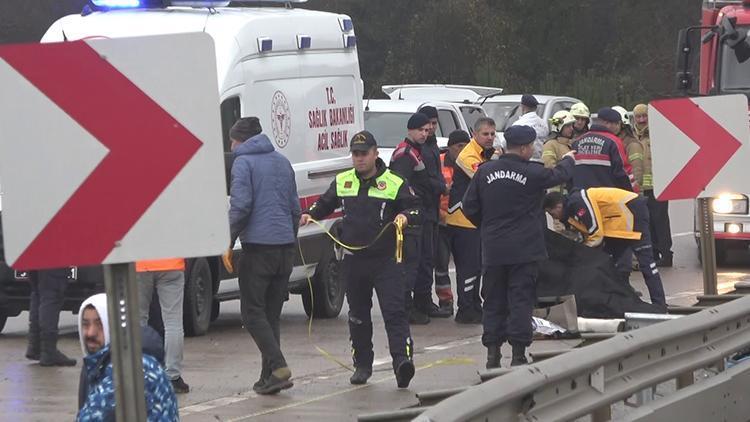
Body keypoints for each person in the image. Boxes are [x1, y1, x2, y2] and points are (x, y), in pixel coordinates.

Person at [301, 130, 421, 388]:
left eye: (364, 153)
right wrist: (310, 214)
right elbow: (324, 204)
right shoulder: (343, 180)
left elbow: (415, 207)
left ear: (375, 153)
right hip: (354, 260)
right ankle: (362, 365)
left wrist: (406, 216)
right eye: (355, 154)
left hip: (386, 260)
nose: (359, 159)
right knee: (357, 316)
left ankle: (402, 362)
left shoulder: (393, 181)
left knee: (394, 312)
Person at [462, 126, 575, 368]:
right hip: (524, 250)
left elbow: (468, 207)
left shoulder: (485, 172)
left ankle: (493, 354)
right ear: (524, 148)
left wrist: (487, 227)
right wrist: (569, 159)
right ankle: (518, 354)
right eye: (532, 146)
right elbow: (559, 175)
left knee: (492, 300)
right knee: (520, 300)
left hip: (493, 249)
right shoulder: (533, 173)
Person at [229, 116, 300, 395]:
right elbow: (295, 209)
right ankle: (270, 377)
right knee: (271, 316)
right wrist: (290, 240)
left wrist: (228, 238)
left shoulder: (243, 163)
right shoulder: (282, 162)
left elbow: (241, 206)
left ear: (240, 139)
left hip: (258, 248)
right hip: (284, 248)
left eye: (232, 140)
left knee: (251, 313)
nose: (231, 145)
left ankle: (279, 365)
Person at [546, 187, 667, 308]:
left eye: (552, 214)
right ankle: (626, 300)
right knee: (610, 263)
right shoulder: (571, 210)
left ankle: (660, 304)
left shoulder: (578, 202)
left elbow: (595, 232)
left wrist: (583, 252)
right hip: (617, 224)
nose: (554, 218)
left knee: (647, 264)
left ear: (558, 206)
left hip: (632, 212)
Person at [77, 293, 178, 421]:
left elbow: (93, 416)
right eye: (85, 324)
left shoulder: (130, 367)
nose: (91, 332)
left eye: (99, 324)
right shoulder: (97, 364)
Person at [390, 112, 448, 324]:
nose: (425, 133)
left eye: (427, 129)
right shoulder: (405, 154)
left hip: (426, 212)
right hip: (412, 217)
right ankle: (407, 307)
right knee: (411, 263)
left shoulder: (419, 151)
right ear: (410, 130)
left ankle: (422, 302)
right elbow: (404, 186)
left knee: (425, 260)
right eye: (421, 130)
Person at [447, 118, 499, 324]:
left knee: (478, 266)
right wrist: (496, 159)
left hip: (476, 219)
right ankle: (466, 308)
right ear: (475, 135)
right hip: (462, 219)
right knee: (468, 267)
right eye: (485, 134)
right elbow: (485, 177)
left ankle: (475, 304)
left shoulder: (486, 153)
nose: (489, 138)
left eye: (492, 134)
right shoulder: (467, 155)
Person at [136, 259, 189, 393]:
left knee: (138, 321)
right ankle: (173, 377)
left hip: (140, 263)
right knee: (173, 322)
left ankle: (139, 375)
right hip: (172, 262)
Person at [434, 130, 470, 315]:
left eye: (466, 146)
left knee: (466, 264)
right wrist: (441, 215)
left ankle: (467, 302)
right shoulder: (438, 162)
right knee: (441, 264)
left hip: (465, 223)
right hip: (442, 221)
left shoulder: (471, 161)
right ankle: (445, 301)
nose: (463, 150)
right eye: (459, 146)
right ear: (450, 147)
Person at [633, 103, 673, 267]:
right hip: (640, 188)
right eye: (639, 116)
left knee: (660, 222)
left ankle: (666, 254)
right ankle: (653, 254)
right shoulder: (632, 137)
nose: (642, 120)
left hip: (658, 186)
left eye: (645, 116)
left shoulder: (658, 134)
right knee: (646, 223)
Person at [571, 107, 637, 192]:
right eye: (617, 123)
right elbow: (623, 172)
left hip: (582, 196)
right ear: (607, 123)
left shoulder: (577, 142)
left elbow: (571, 171)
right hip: (606, 197)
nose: (618, 127)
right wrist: (633, 193)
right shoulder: (614, 142)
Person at [25, 268, 77, 367]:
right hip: (52, 257)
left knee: (38, 294)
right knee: (51, 294)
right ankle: (48, 351)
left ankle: (35, 347)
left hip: (33, 256)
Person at [613, 105, 645, 190]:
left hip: (629, 193)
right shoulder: (612, 143)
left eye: (615, 123)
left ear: (623, 124)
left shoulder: (632, 145)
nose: (610, 126)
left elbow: (637, 175)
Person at [543, 110, 576, 193]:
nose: (571, 128)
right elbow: (549, 168)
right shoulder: (550, 145)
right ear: (558, 127)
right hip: (557, 194)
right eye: (568, 126)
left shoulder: (571, 144)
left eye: (572, 125)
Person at [512, 94, 549, 161]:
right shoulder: (544, 124)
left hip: (524, 162)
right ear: (535, 108)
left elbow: (507, 145)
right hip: (540, 162)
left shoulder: (519, 124)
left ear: (523, 107)